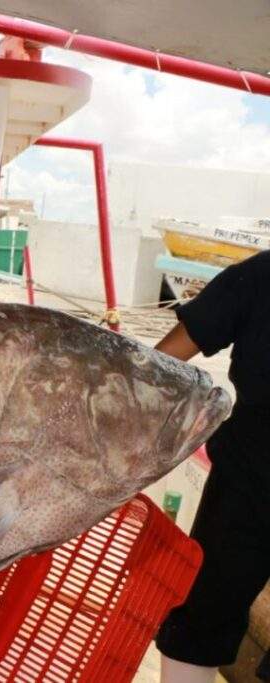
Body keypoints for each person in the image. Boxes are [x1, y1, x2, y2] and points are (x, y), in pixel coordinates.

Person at [155, 250, 270, 683]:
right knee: (200, 619)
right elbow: (158, 366)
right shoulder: (258, 277)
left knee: (202, 619)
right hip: (244, 486)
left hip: (242, 482)